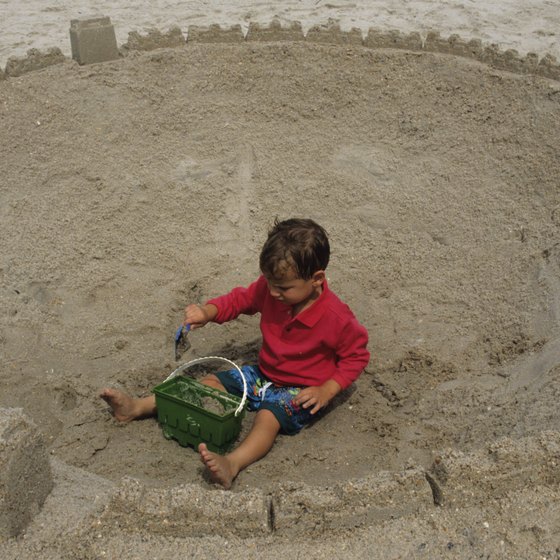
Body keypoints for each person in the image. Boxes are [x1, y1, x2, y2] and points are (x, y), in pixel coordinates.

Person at [101, 218, 370, 489]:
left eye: (284, 288)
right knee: (209, 385)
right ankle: (137, 407)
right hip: (262, 373)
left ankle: (233, 463)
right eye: (269, 282)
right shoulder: (271, 289)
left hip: (300, 389)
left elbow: (356, 356)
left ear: (316, 279)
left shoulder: (335, 317)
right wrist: (208, 312)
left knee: (268, 416)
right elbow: (240, 300)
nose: (273, 292)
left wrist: (327, 390)